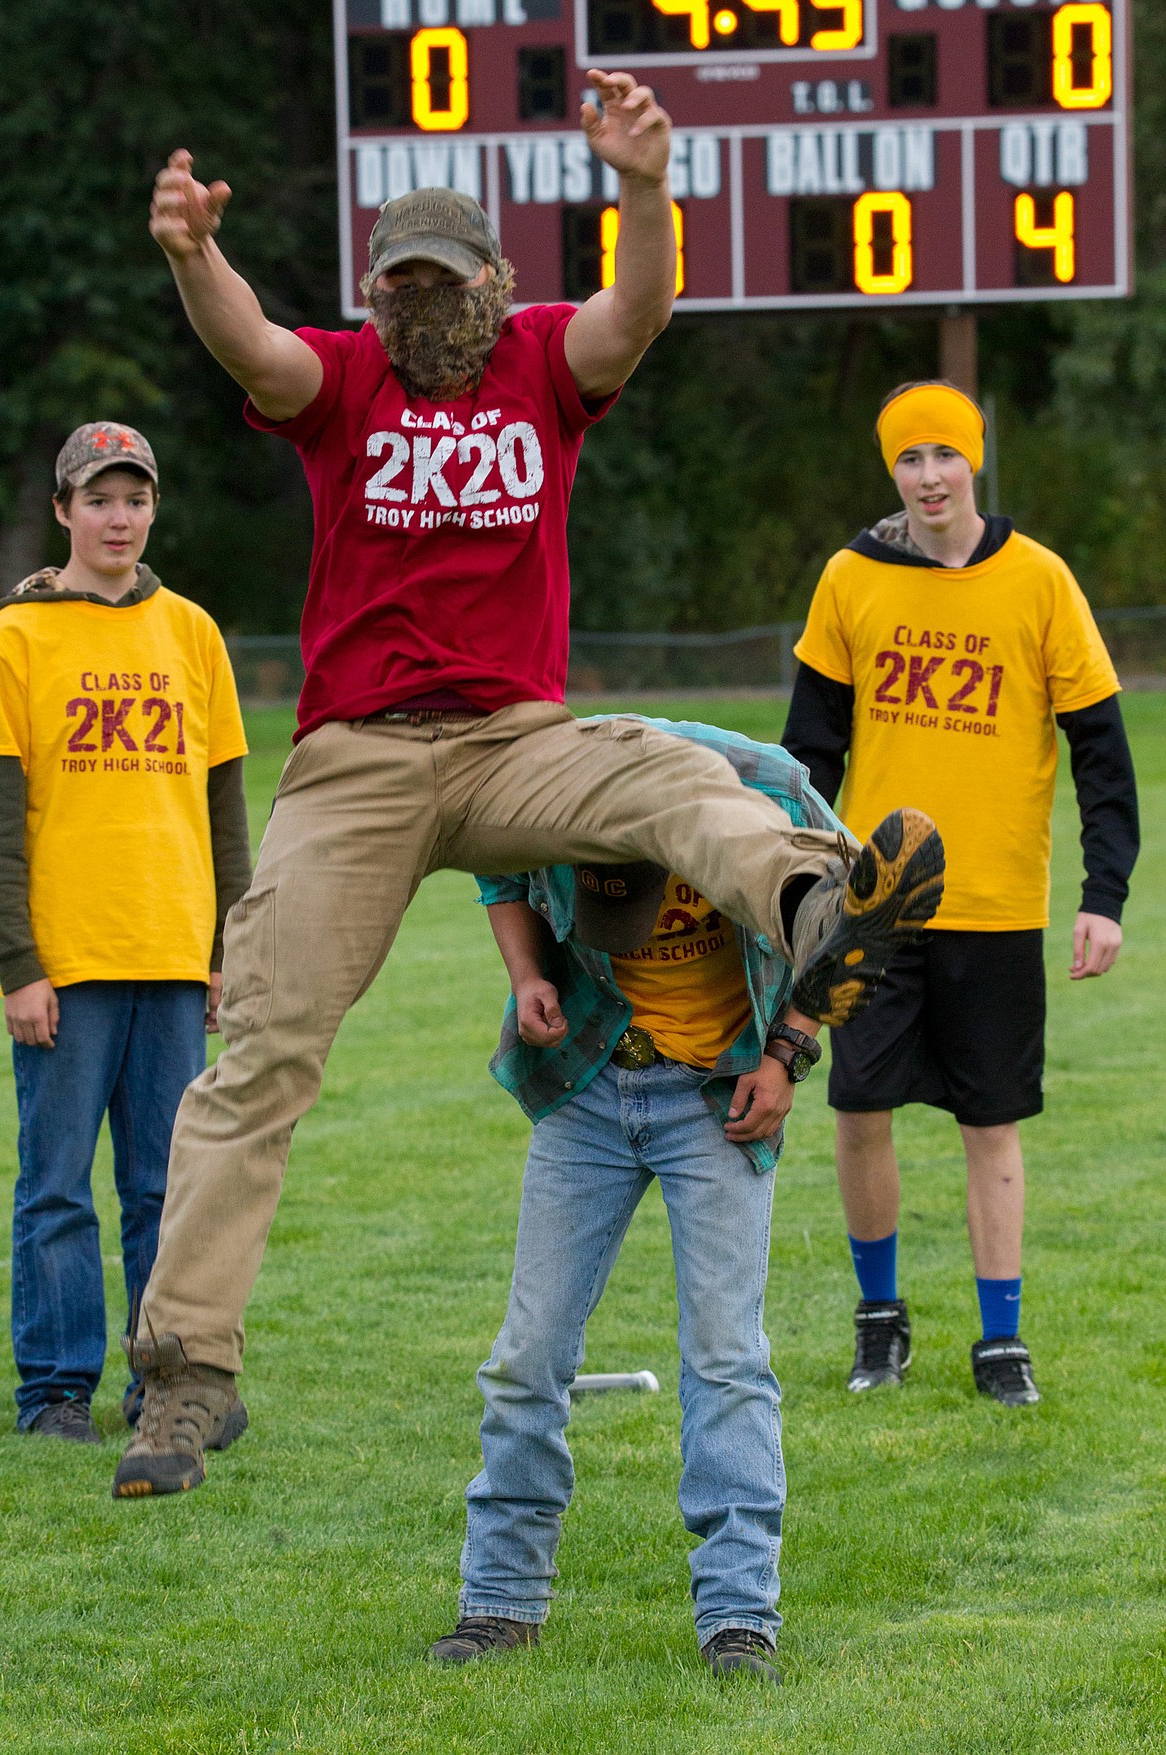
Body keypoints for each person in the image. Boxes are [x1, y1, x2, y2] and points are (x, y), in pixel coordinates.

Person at [112, 79, 944, 1499]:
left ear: (497, 283)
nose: (425, 308)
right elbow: (252, 350)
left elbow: (640, 311)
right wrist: (194, 252)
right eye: (402, 286)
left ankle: (815, 898)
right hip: (359, 758)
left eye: (447, 283)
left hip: (512, 737)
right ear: (376, 298)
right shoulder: (344, 383)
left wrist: (640, 184)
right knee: (263, 1039)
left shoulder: (550, 362)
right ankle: (186, 1375)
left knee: (669, 771)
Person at [427, 719, 857, 1682]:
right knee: (527, 1352)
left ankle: (739, 1619)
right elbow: (497, 868)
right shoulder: (553, 784)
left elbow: (853, 913)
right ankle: (499, 1603)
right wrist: (532, 972)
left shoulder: (771, 795)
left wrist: (787, 1051)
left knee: (725, 1356)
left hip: (720, 1097)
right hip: (587, 1084)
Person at [782, 380, 1139, 1408]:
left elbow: (1103, 757)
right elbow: (808, 757)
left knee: (992, 1122)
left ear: (974, 458)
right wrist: (798, 889)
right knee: (859, 1109)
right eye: (908, 459)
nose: (928, 476)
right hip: (877, 906)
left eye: (945, 455)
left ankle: (1001, 1341)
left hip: (997, 905)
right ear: (889, 468)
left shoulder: (1040, 582)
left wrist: (1101, 893)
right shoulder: (851, 579)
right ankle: (879, 1323)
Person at [0, 421, 252, 1443]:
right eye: (98, 499)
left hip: (176, 955)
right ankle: (56, 1389)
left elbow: (225, 811)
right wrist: (19, 963)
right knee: (58, 1189)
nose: (119, 518)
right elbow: (0, 823)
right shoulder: (16, 639)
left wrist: (231, 950)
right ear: (63, 511)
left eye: (136, 499)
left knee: (166, 1190)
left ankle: (168, 1387)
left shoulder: (192, 630)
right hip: (68, 961)